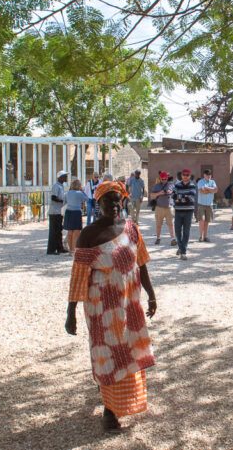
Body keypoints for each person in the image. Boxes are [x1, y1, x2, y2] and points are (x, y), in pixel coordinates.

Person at [65, 181, 156, 431]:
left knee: (129, 353)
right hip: (102, 310)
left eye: (118, 200)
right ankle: (109, 410)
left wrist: (151, 294)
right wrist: (70, 312)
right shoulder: (89, 234)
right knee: (108, 355)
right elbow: (78, 277)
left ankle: (118, 399)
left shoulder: (131, 228)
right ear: (98, 203)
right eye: (108, 201)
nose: (114, 205)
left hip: (130, 305)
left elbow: (142, 262)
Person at [172, 169, 197, 260]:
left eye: (187, 175)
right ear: (181, 176)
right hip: (178, 211)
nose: (185, 176)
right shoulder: (177, 185)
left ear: (189, 176)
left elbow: (191, 198)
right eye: (184, 175)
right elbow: (173, 196)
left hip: (188, 212)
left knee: (186, 232)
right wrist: (184, 197)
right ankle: (181, 247)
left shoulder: (192, 186)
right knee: (177, 231)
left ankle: (183, 252)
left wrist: (180, 197)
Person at [150, 172, 176, 246]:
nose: (164, 180)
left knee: (171, 224)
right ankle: (158, 238)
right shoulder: (157, 186)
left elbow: (176, 194)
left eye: (165, 179)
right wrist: (159, 193)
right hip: (159, 208)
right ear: (160, 179)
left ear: (167, 178)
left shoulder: (171, 185)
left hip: (169, 207)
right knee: (158, 224)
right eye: (162, 179)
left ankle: (173, 239)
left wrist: (171, 193)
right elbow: (151, 195)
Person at [64, 178, 89, 251]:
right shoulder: (79, 193)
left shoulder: (67, 193)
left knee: (69, 232)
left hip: (68, 212)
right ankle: (74, 249)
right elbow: (87, 199)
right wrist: (82, 191)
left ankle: (70, 249)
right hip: (76, 213)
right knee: (76, 232)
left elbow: (64, 202)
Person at [47, 171, 68, 255]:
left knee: (59, 230)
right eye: (65, 176)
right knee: (54, 231)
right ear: (60, 177)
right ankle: (51, 249)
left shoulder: (61, 186)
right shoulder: (56, 186)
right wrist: (63, 201)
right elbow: (54, 197)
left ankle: (60, 247)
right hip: (54, 211)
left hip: (59, 211)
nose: (66, 178)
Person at [197, 169, 218, 242]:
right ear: (204, 175)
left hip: (209, 204)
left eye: (209, 175)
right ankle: (201, 236)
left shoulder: (213, 182)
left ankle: (205, 236)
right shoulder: (200, 182)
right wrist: (210, 190)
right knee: (201, 220)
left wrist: (207, 188)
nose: (208, 176)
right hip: (202, 204)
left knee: (207, 221)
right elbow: (202, 192)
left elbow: (215, 190)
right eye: (207, 175)